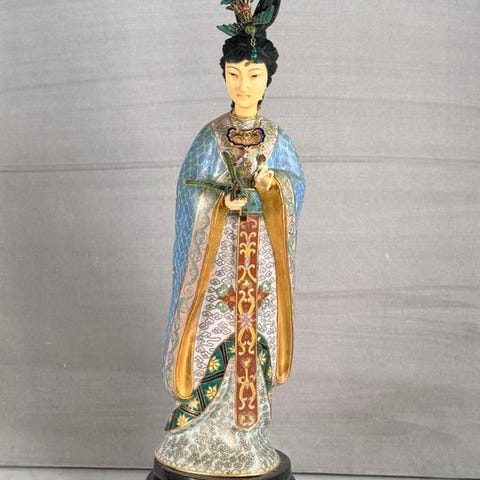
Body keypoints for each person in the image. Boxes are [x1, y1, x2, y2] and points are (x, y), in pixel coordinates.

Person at [154, 0, 305, 476]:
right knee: (211, 342)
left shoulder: (278, 140)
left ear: (268, 79)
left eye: (254, 75)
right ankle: (196, 438)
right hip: (216, 267)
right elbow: (189, 194)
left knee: (253, 347)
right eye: (234, 74)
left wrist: (271, 190)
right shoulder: (210, 137)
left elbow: (295, 190)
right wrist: (219, 204)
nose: (244, 85)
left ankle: (248, 438)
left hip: (260, 272)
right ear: (223, 75)